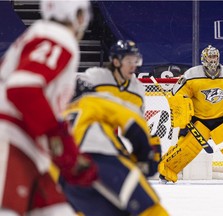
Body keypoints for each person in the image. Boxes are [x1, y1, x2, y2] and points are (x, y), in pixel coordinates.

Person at [0, 0, 97, 215]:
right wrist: (57, 134)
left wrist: (68, 151)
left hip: (27, 149)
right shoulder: (58, 37)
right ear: (78, 15)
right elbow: (22, 88)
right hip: (11, 142)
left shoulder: (41, 34)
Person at [59, 70, 169, 215]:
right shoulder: (92, 101)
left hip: (67, 178)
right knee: (149, 210)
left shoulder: (58, 117)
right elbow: (132, 120)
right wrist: (145, 155)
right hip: (102, 162)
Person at [158, 45, 223, 183]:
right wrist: (180, 103)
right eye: (210, 57)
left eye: (214, 57)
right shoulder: (191, 75)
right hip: (198, 118)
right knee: (185, 147)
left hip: (222, 117)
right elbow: (177, 93)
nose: (212, 60)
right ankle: (166, 172)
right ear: (203, 58)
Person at [78, 40, 145, 113]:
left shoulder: (138, 89)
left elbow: (137, 120)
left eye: (135, 62)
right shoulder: (97, 77)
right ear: (116, 62)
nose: (133, 67)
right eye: (129, 62)